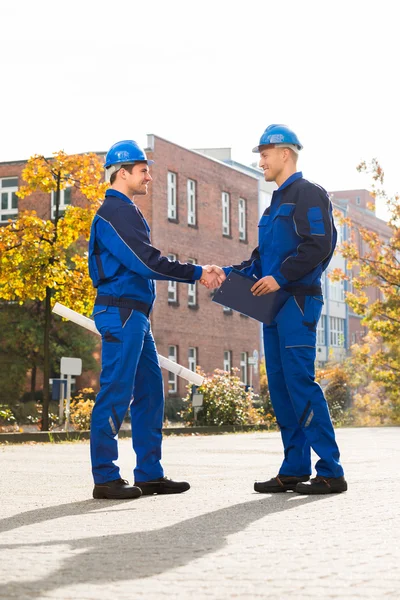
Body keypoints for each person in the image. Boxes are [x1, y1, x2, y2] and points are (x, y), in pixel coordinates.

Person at [210, 125, 347, 495]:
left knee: (300, 382)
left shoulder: (309, 194)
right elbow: (261, 259)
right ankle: (294, 467)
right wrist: (226, 274)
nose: (261, 161)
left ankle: (331, 470)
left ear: (285, 153)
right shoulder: (274, 203)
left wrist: (282, 278)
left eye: (265, 153)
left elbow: (319, 245)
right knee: (282, 389)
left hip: (297, 301)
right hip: (273, 305)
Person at [88, 139, 224, 500]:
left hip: (136, 316)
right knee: (116, 392)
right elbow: (147, 261)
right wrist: (198, 272)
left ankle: (149, 474)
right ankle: (105, 477)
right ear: (122, 172)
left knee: (150, 392)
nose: (149, 176)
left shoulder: (128, 211)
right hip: (120, 312)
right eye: (143, 170)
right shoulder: (115, 212)